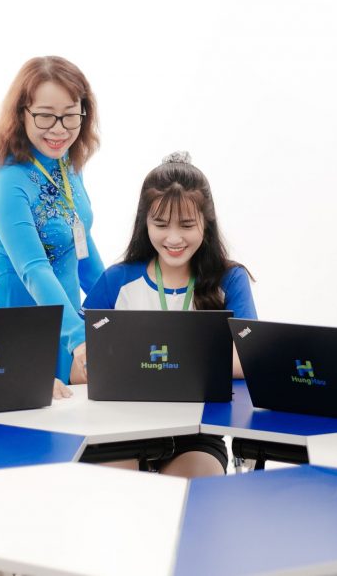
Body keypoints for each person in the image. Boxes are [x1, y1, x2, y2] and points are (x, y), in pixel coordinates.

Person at [79, 152, 256, 477]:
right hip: (120, 429)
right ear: (144, 222)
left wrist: (143, 362)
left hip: (197, 434)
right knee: (112, 492)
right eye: (160, 225)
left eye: (187, 225)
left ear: (207, 222)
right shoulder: (117, 279)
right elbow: (79, 358)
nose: (173, 238)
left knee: (195, 492)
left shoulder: (230, 279)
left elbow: (248, 358)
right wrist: (85, 361)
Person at [0, 56, 103, 393]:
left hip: (63, 311)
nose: (59, 129)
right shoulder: (5, 179)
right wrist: (79, 339)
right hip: (14, 311)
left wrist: (117, 311)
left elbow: (80, 241)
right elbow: (33, 267)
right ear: (22, 113)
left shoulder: (66, 162)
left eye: (70, 114)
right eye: (46, 115)